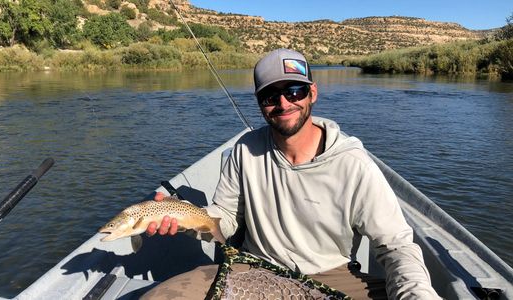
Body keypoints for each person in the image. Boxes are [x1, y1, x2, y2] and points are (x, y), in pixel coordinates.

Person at [142, 48, 440, 299]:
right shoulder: (245, 150)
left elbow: (397, 246)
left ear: (312, 93)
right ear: (260, 104)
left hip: (332, 277)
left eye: (293, 90)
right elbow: (226, 219)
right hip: (255, 270)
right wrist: (183, 217)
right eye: (270, 96)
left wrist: (416, 294)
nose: (283, 103)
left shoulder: (354, 164)